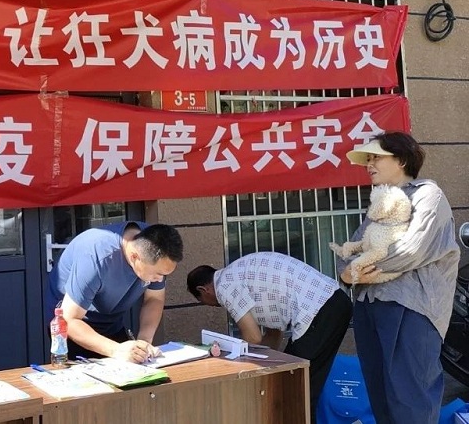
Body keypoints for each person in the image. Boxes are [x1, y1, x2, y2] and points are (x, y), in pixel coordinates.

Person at [337, 132, 459, 424]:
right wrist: (348, 272)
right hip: (369, 306)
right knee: (381, 399)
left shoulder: (428, 195)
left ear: (402, 160)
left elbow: (410, 251)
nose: (369, 165)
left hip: (412, 308)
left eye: (376, 158)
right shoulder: (381, 202)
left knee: (410, 401)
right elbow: (350, 250)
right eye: (368, 159)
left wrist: (355, 270)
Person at [187, 251, 352, 421]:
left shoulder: (224, 286)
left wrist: (233, 363)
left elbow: (253, 337)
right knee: (306, 388)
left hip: (318, 311)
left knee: (291, 388)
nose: (210, 306)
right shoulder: (240, 273)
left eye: (202, 301)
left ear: (203, 290)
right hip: (337, 303)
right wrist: (264, 366)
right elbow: (273, 335)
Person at [48, 221, 183, 363]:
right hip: (74, 325)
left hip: (112, 323)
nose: (160, 279)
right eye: (158, 274)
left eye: (164, 274)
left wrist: (144, 342)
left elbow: (154, 299)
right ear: (135, 257)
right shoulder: (95, 257)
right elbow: (69, 320)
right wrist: (116, 350)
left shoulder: (154, 245)